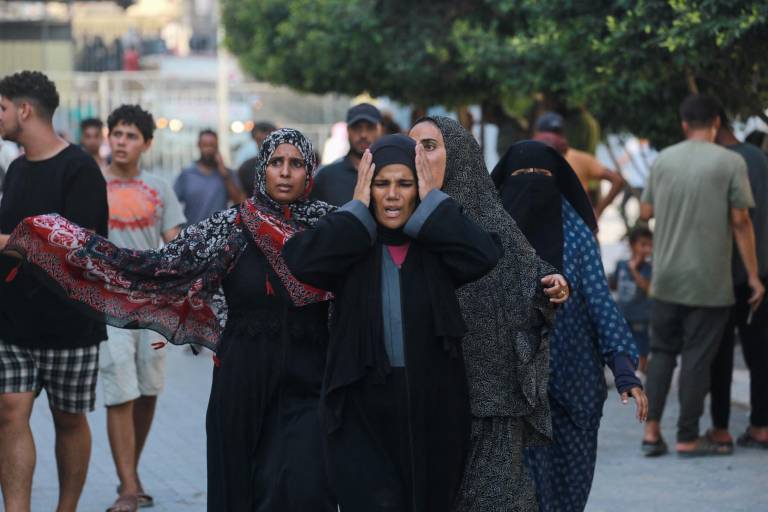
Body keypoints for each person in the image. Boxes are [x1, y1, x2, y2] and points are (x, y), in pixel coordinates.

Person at [3, 128, 338, 512]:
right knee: (246, 487)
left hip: (310, 380)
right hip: (243, 380)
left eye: (296, 163)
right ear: (262, 169)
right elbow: (154, 268)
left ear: (309, 171)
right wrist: (63, 242)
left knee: (308, 484)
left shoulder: (330, 229)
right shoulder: (230, 228)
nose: (284, 172)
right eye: (276, 162)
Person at [284, 134, 503, 511]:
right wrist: (355, 208)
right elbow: (300, 261)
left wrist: (435, 202)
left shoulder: (436, 244)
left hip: (432, 402)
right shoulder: (352, 242)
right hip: (360, 403)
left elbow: (483, 255)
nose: (392, 195)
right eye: (382, 184)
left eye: (405, 184)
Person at [408, 117, 570, 511]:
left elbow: (529, 270)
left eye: (429, 146)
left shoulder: (491, 218)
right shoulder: (400, 220)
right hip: (429, 397)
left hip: (494, 398)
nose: (418, 156)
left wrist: (551, 285)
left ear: (460, 156)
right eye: (411, 146)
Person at [492, 140, 647, 512]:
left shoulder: (577, 235)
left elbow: (599, 302)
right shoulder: (488, 233)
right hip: (512, 392)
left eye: (542, 176)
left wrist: (625, 370)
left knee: (569, 495)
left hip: (575, 389)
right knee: (524, 495)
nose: (532, 186)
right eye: (522, 177)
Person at [0, 70, 109, 512]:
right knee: (9, 412)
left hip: (70, 318)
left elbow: (78, 248)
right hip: (11, 319)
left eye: (2, 108)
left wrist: (7, 242)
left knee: (68, 419)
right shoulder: (16, 168)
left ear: (24, 110)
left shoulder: (80, 169)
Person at [639, 94, 765, 457]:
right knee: (696, 357)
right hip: (709, 281)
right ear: (715, 124)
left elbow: (646, 211)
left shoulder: (663, 159)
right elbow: (741, 222)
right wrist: (754, 277)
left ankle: (651, 432)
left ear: (683, 125)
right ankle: (687, 437)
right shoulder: (729, 162)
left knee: (662, 353)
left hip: (665, 277)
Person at [100, 105, 186, 511]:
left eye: (131, 135)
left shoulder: (159, 187)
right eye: (117, 133)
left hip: (152, 310)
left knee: (148, 390)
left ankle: (130, 472)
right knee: (120, 390)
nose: (122, 141)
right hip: (106, 305)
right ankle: (128, 486)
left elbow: (176, 241)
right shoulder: (91, 183)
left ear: (147, 144)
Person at [708, 109, 768, 450]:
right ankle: (761, 425)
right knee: (759, 351)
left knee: (721, 354)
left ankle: (720, 430)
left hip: (727, 271)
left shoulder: (720, 162)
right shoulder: (759, 157)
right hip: (762, 268)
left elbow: (738, 219)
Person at [533, 111, 625, 219]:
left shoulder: (528, 159)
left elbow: (617, 180)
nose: (551, 138)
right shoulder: (581, 158)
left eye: (554, 134)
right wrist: (597, 211)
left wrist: (598, 211)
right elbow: (617, 180)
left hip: (568, 224)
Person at [311, 103, 383, 206]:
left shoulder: (390, 174)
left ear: (379, 130)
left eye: (369, 128)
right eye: (357, 128)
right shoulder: (326, 177)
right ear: (348, 130)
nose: (363, 134)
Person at [174, 129, 245, 225]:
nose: (208, 149)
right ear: (198, 146)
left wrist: (224, 174)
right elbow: (172, 204)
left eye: (212, 145)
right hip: (192, 235)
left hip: (219, 236)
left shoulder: (227, 174)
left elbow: (239, 201)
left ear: (217, 147)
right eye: (205, 145)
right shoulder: (186, 174)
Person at [610, 226, 654, 373]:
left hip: (641, 316)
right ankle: (627, 372)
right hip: (623, 314)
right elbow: (614, 284)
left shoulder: (648, 268)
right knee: (623, 345)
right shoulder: (621, 265)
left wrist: (634, 270)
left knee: (642, 346)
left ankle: (641, 373)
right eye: (643, 244)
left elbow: (648, 288)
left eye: (649, 245)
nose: (647, 249)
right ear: (632, 245)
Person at [237, 121, 277, 196]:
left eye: (268, 141)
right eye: (260, 140)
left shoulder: (285, 164)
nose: (264, 145)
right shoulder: (246, 165)